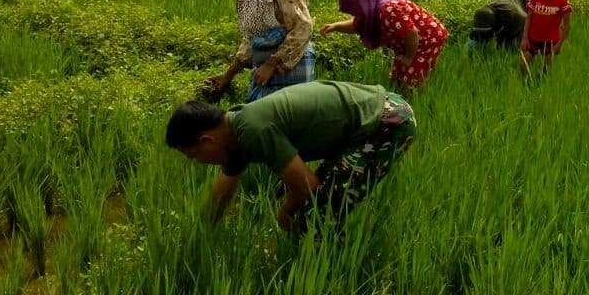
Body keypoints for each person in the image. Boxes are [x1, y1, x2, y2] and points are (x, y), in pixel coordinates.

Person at [165, 80, 416, 231]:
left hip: (386, 120)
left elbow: (306, 186)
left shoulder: (253, 131)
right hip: (372, 118)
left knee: (317, 217)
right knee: (320, 206)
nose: (200, 162)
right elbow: (224, 187)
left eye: (194, 156)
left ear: (207, 140)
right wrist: (204, 229)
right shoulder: (233, 131)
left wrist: (283, 214)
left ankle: (329, 279)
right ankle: (322, 263)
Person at [321, 0, 449, 90]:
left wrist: (409, 57)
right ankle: (400, 95)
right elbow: (356, 25)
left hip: (428, 38)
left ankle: (412, 100)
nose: (354, 15)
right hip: (408, 42)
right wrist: (335, 26)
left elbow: (412, 34)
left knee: (411, 79)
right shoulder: (371, 11)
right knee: (397, 77)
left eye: (354, 11)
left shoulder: (388, 10)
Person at [519, 0, 571, 75]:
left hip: (551, 43)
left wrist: (559, 44)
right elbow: (528, 18)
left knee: (545, 71)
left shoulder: (563, 2)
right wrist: (524, 38)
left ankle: (540, 87)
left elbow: (567, 26)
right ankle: (522, 86)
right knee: (523, 66)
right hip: (532, 40)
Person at [467, 0, 534, 51]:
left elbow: (524, 19)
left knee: (511, 40)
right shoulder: (482, 14)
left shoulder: (513, 11)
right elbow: (475, 36)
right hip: (506, 4)